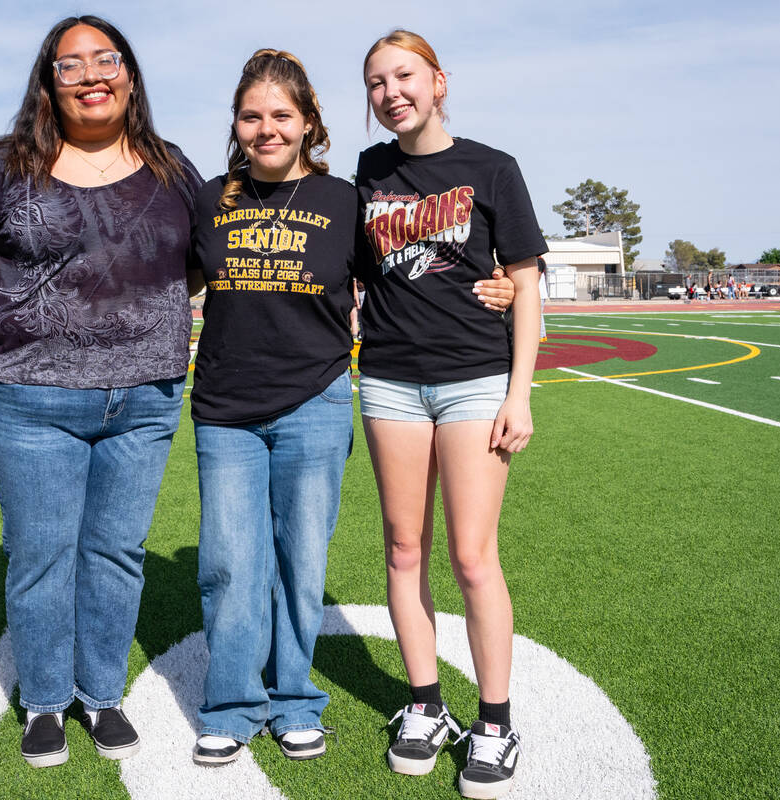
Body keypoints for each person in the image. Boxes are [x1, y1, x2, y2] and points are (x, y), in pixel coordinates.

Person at [188, 49, 517, 768]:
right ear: (236, 124)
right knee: (228, 562)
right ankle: (232, 704)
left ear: (309, 122)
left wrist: (509, 287)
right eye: (252, 116)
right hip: (226, 404)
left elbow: (416, 264)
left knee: (305, 559)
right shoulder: (210, 197)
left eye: (282, 115)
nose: (266, 128)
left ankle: (299, 698)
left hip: (318, 398)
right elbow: (171, 277)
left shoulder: (346, 196)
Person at [0, 16, 201, 769]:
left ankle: (101, 694)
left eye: (104, 60)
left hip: (144, 398)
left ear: (130, 75)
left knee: (116, 552)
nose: (90, 76)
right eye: (69, 66)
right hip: (30, 399)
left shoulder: (173, 168)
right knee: (43, 553)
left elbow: (204, 260)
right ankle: (45, 701)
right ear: (49, 83)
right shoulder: (4, 169)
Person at [355, 30, 545, 800]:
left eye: (404, 75)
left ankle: (494, 721)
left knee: (472, 556)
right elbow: (362, 274)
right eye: (375, 82)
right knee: (405, 549)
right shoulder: (369, 172)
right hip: (391, 383)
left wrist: (519, 393)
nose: (390, 91)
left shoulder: (492, 168)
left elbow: (525, 284)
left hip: (474, 380)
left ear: (439, 81)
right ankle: (426, 705)